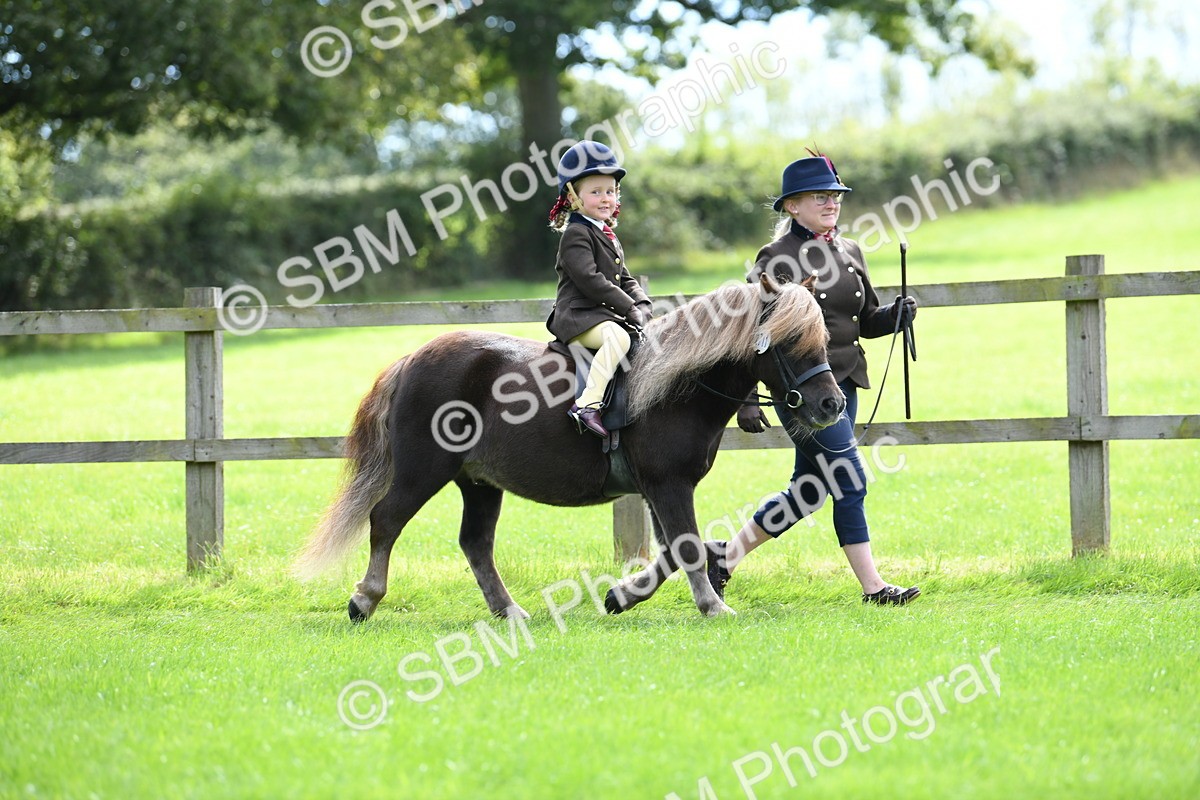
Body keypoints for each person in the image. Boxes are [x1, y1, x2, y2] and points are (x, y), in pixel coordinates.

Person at [708, 151, 921, 605]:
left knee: (807, 492)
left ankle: (723, 558)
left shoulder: (850, 250)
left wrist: (895, 316)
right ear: (792, 206)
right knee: (850, 479)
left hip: (844, 384)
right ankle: (875, 589)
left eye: (835, 196)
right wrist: (747, 399)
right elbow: (749, 334)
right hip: (800, 391)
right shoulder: (777, 258)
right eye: (820, 196)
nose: (831, 203)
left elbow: (863, 320)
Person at [546, 141, 652, 438]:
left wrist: (643, 304)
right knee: (618, 338)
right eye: (595, 192)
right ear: (573, 197)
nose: (606, 198)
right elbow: (590, 280)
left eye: (610, 191)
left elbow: (625, 278)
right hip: (578, 317)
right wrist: (628, 308)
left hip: (601, 315)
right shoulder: (576, 234)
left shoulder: (607, 233)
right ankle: (587, 404)